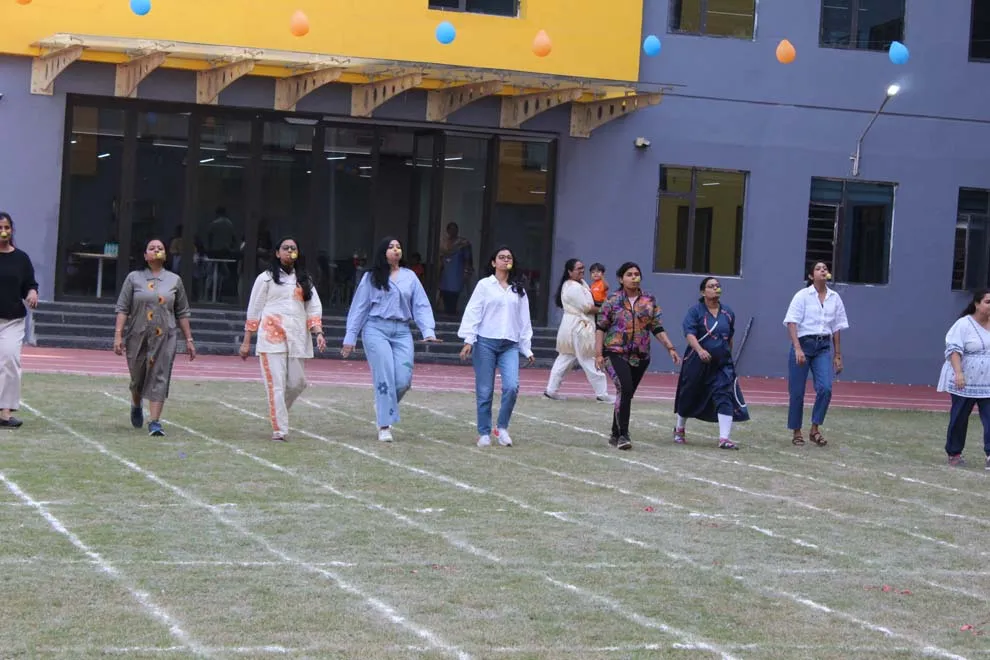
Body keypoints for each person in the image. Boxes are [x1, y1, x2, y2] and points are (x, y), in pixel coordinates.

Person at [343, 237, 440, 442]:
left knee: (404, 380)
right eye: (391, 247)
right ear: (382, 252)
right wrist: (350, 337)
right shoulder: (371, 277)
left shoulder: (410, 276)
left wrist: (428, 331)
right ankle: (384, 425)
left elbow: (421, 305)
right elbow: (359, 307)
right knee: (384, 375)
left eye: (398, 247)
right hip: (376, 329)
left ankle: (382, 405)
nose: (396, 250)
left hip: (402, 331)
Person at [241, 237, 325, 442]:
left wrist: (318, 333)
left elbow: (313, 308)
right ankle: (280, 430)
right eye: (285, 248)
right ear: (277, 253)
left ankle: (277, 411)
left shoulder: (304, 280)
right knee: (276, 385)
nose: (289, 251)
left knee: (298, 383)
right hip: (271, 338)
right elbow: (254, 308)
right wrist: (247, 340)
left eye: (293, 248)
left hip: (297, 337)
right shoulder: (266, 279)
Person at [113, 238, 196, 436]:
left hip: (165, 336)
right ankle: (136, 403)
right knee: (137, 379)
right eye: (152, 248)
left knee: (160, 375)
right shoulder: (134, 278)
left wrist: (189, 340)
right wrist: (118, 335)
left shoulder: (174, 280)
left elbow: (182, 312)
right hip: (138, 334)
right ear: (145, 255)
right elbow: (123, 308)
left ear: (166, 255)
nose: (156, 250)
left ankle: (155, 421)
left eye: (160, 248)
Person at [594, 262, 680, 450]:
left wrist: (670, 348)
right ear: (621, 279)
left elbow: (656, 326)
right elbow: (600, 327)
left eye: (636, 274)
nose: (634, 277)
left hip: (640, 355)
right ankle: (623, 435)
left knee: (626, 394)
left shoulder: (649, 300)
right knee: (624, 388)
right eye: (629, 274)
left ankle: (614, 434)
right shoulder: (612, 300)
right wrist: (598, 354)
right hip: (615, 352)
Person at [458, 245, 534, 448]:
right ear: (493, 262)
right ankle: (484, 432)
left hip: (510, 344)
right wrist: (469, 339)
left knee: (512, 387)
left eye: (509, 257)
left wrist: (526, 347)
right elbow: (474, 311)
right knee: (485, 390)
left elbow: (524, 320)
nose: (505, 260)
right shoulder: (484, 285)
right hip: (485, 342)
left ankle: (502, 427)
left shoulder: (518, 288)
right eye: (501, 257)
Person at [672, 277, 750, 450]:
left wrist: (727, 356)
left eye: (717, 286)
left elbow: (729, 337)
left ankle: (724, 438)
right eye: (711, 286)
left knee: (724, 395)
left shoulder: (728, 313)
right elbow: (689, 334)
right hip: (697, 362)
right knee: (689, 393)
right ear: (703, 292)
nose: (715, 289)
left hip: (721, 364)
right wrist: (700, 350)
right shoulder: (695, 312)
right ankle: (679, 429)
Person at [783, 261, 849, 447]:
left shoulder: (835, 298)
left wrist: (837, 355)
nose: (823, 271)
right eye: (818, 269)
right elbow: (792, 322)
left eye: (825, 268)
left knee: (825, 388)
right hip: (803, 344)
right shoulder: (802, 296)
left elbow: (836, 327)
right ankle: (796, 431)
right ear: (811, 276)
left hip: (823, 347)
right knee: (797, 391)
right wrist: (797, 348)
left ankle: (814, 428)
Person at [544, 258, 612, 402]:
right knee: (588, 358)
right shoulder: (572, 287)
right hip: (578, 327)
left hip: (573, 326)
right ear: (570, 272)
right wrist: (607, 309)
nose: (582, 271)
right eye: (578, 268)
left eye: (583, 268)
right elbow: (588, 307)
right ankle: (602, 393)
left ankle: (551, 390)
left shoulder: (580, 283)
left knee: (565, 358)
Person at [937, 289, 990, 468]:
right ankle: (954, 453)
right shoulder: (963, 325)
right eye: (988, 302)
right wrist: (959, 373)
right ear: (977, 304)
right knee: (959, 418)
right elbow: (954, 350)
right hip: (965, 381)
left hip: (987, 381)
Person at [0, 213, 39, 429]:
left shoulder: (21, 258)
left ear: (12, 230)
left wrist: (32, 293)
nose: (3, 231)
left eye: (7, 227)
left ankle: (5, 413)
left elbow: (30, 285)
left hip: (12, 320)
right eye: (0, 228)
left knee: (10, 359)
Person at [438, 222, 473, 315]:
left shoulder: (463, 243)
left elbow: (467, 258)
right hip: (445, 273)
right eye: (451, 229)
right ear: (447, 230)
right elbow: (440, 258)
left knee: (454, 295)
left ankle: (452, 314)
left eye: (455, 229)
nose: (453, 231)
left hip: (457, 272)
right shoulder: (443, 243)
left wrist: (466, 271)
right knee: (445, 294)